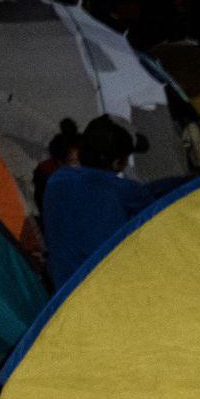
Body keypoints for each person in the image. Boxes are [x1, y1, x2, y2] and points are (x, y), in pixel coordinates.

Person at [41, 115, 155, 290]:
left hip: (65, 292)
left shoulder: (56, 181)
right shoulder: (126, 192)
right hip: (109, 290)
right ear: (118, 162)